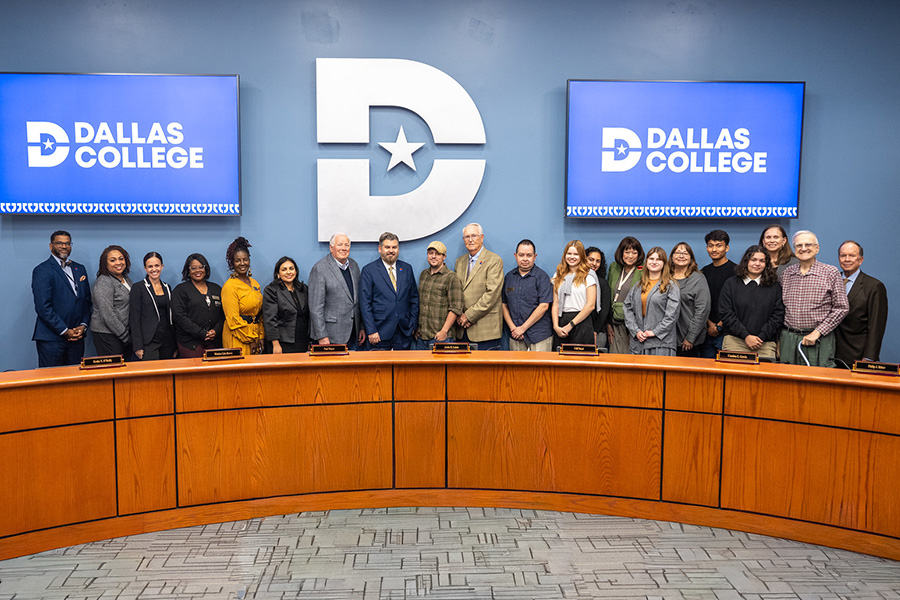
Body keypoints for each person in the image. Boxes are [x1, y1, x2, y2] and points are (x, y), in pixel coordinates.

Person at [779, 231, 849, 367]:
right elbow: (779, 308)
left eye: (808, 244)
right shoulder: (787, 274)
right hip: (788, 338)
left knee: (818, 383)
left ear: (817, 248)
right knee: (787, 382)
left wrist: (818, 332)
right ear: (794, 249)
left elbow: (842, 308)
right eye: (799, 245)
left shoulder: (831, 272)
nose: (803, 248)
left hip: (819, 339)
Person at [31, 230, 92, 367]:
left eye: (67, 243)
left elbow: (86, 302)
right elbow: (43, 307)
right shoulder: (42, 270)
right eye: (59, 243)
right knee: (52, 383)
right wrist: (65, 331)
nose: (64, 246)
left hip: (77, 338)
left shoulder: (79, 269)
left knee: (74, 382)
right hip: (52, 339)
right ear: (51, 246)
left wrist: (83, 325)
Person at [719, 245, 785, 361]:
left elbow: (777, 316)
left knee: (764, 379)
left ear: (766, 264)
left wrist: (761, 337)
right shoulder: (731, 284)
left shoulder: (774, 286)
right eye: (753, 260)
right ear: (746, 261)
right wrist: (746, 336)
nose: (757, 264)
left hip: (764, 344)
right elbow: (726, 313)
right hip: (735, 342)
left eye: (762, 261)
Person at [359, 232, 419, 350]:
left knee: (403, 368)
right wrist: (371, 330)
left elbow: (414, 299)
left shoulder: (407, 268)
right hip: (379, 333)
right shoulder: (369, 270)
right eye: (387, 247)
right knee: (379, 368)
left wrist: (412, 324)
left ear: (398, 249)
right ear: (380, 249)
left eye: (394, 247)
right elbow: (365, 303)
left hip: (403, 332)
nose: (391, 250)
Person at [834, 241, 888, 365]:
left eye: (852, 256)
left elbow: (876, 326)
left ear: (861, 260)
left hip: (857, 354)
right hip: (830, 353)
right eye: (843, 255)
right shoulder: (831, 281)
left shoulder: (874, 287)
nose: (847, 259)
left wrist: (869, 358)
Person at [308, 233, 365, 348]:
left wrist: (361, 327)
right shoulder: (320, 269)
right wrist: (321, 336)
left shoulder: (354, 266)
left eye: (346, 245)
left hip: (353, 333)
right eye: (339, 245)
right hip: (330, 335)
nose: (343, 248)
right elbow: (315, 307)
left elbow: (357, 300)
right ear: (331, 247)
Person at [453, 223, 504, 350]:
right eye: (467, 237)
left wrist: (468, 316)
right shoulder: (459, 262)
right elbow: (456, 292)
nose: (470, 240)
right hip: (461, 330)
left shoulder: (494, 260)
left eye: (474, 236)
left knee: (486, 370)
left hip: (485, 331)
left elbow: (492, 294)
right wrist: (459, 315)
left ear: (482, 237)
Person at [624, 247, 681, 356]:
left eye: (658, 259)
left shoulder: (671, 286)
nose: (654, 262)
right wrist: (635, 330)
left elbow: (672, 315)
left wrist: (654, 332)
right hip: (638, 342)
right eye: (651, 259)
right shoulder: (638, 285)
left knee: (658, 373)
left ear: (664, 263)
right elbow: (627, 308)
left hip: (660, 343)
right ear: (646, 262)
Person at [502, 239, 553, 351]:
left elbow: (544, 306)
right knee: (516, 369)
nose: (525, 259)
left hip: (539, 336)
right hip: (515, 335)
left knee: (540, 369)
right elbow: (504, 305)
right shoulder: (509, 277)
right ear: (515, 256)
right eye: (521, 255)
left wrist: (523, 328)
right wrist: (513, 329)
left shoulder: (542, 277)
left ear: (535, 257)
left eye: (529, 255)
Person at [171, 253, 224, 358]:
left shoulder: (216, 289)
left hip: (213, 342)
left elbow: (223, 315)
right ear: (188, 271)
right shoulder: (180, 290)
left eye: (201, 267)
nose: (197, 270)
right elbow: (180, 317)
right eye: (193, 268)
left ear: (206, 268)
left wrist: (215, 331)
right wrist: (201, 333)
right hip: (190, 343)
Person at [416, 241, 463, 349]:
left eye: (437, 254)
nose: (433, 256)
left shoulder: (451, 277)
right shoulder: (423, 275)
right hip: (422, 337)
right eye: (430, 253)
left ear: (444, 257)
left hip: (442, 337)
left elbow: (456, 308)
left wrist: (444, 331)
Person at [129, 252, 176, 361]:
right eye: (150, 266)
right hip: (149, 340)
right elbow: (134, 319)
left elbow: (172, 315)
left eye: (157, 265)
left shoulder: (167, 287)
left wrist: (175, 343)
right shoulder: (138, 288)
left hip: (168, 339)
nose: (154, 269)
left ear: (162, 266)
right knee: (151, 375)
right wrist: (138, 346)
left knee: (167, 374)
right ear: (145, 268)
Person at [221, 237, 264, 356]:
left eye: (245, 259)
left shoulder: (255, 283)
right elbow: (233, 320)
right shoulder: (229, 287)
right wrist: (250, 340)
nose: (242, 263)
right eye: (237, 260)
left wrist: (260, 337)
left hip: (255, 337)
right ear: (232, 263)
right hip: (238, 338)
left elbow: (259, 314)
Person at [551, 241, 598, 349]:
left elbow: (590, 306)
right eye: (569, 254)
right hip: (561, 322)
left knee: (581, 361)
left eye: (576, 254)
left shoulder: (588, 276)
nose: (572, 257)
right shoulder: (558, 275)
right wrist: (556, 326)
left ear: (581, 256)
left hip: (582, 323)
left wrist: (570, 325)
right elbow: (555, 303)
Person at [698, 230, 737, 358]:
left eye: (718, 245)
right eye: (710, 245)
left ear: (727, 248)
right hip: (706, 332)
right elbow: (701, 302)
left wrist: (719, 326)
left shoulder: (737, 271)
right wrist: (710, 324)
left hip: (728, 333)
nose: (714, 249)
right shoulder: (704, 272)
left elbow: (737, 303)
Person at [90, 245, 133, 358]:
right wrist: (125, 336)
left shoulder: (125, 279)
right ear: (105, 263)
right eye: (112, 260)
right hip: (108, 335)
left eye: (121, 258)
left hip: (122, 334)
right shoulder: (104, 281)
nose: (118, 263)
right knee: (114, 372)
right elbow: (107, 314)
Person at [669, 242, 710, 357]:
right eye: (677, 253)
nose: (681, 256)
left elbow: (702, 311)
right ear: (671, 257)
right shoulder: (665, 277)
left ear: (691, 258)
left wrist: (690, 337)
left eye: (685, 253)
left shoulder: (698, 278)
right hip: (666, 338)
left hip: (687, 339)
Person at [263, 256, 310, 354]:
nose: (289, 272)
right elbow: (270, 320)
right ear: (278, 274)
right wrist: (275, 344)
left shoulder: (303, 289)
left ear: (296, 271)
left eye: (291, 268)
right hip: (282, 343)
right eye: (284, 269)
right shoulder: (271, 290)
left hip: (302, 341)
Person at [606, 236, 644, 354]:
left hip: (635, 323)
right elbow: (607, 296)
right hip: (615, 320)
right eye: (627, 252)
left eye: (634, 252)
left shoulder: (643, 270)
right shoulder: (614, 267)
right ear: (621, 253)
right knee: (615, 358)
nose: (630, 256)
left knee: (633, 358)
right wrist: (607, 323)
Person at [585, 246, 612, 349]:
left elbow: (604, 311)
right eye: (591, 260)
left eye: (598, 261)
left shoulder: (602, 283)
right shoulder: (577, 280)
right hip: (581, 330)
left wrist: (595, 330)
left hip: (598, 331)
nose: (594, 264)